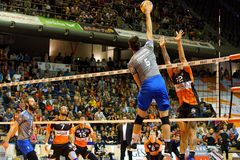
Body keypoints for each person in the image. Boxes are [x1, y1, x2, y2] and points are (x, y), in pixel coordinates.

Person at [128, 2, 172, 158]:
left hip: (147, 84)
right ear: (140, 44)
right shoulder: (149, 47)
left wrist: (143, 89)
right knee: (164, 117)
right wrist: (147, 13)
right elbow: (149, 30)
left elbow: (137, 80)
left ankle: (133, 143)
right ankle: (167, 145)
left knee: (140, 117)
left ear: (130, 48)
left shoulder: (131, 62)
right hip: (159, 81)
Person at [159, 30, 200, 160]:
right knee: (183, 133)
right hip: (183, 107)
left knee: (192, 129)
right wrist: (163, 47)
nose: (175, 68)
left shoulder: (187, 70)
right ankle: (182, 156)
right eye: (175, 67)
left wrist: (179, 42)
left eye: (177, 66)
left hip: (193, 104)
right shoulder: (173, 75)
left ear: (181, 67)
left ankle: (192, 155)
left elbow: (182, 58)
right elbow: (167, 61)